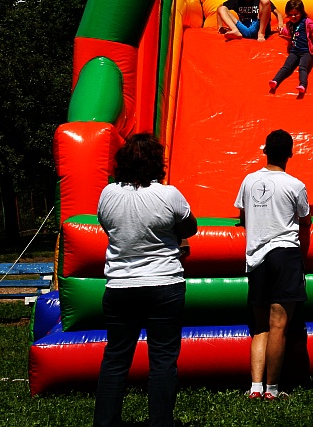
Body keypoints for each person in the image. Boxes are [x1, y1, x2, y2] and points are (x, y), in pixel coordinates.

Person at [93, 133, 198, 427]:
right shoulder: (168, 195)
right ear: (157, 164)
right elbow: (191, 227)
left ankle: (105, 422)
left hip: (119, 285)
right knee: (163, 360)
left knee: (115, 357)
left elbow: (108, 226)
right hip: (163, 283)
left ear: (122, 163)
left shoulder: (108, 194)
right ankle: (161, 422)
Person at [235, 129, 312, 400]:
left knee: (260, 326)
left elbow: (242, 215)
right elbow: (305, 219)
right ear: (290, 153)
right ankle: (272, 389)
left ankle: (255, 387)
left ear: (264, 150)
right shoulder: (295, 185)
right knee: (279, 325)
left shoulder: (249, 180)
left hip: (255, 257)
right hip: (285, 253)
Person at [269, 0, 313, 95]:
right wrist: (282, 31)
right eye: (290, 15)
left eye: (296, 14)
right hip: (294, 51)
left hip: (306, 52)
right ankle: (275, 81)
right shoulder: (289, 24)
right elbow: (291, 34)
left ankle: (302, 85)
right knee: (286, 67)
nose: (293, 17)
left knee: (303, 67)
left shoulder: (306, 21)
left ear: (301, 12)